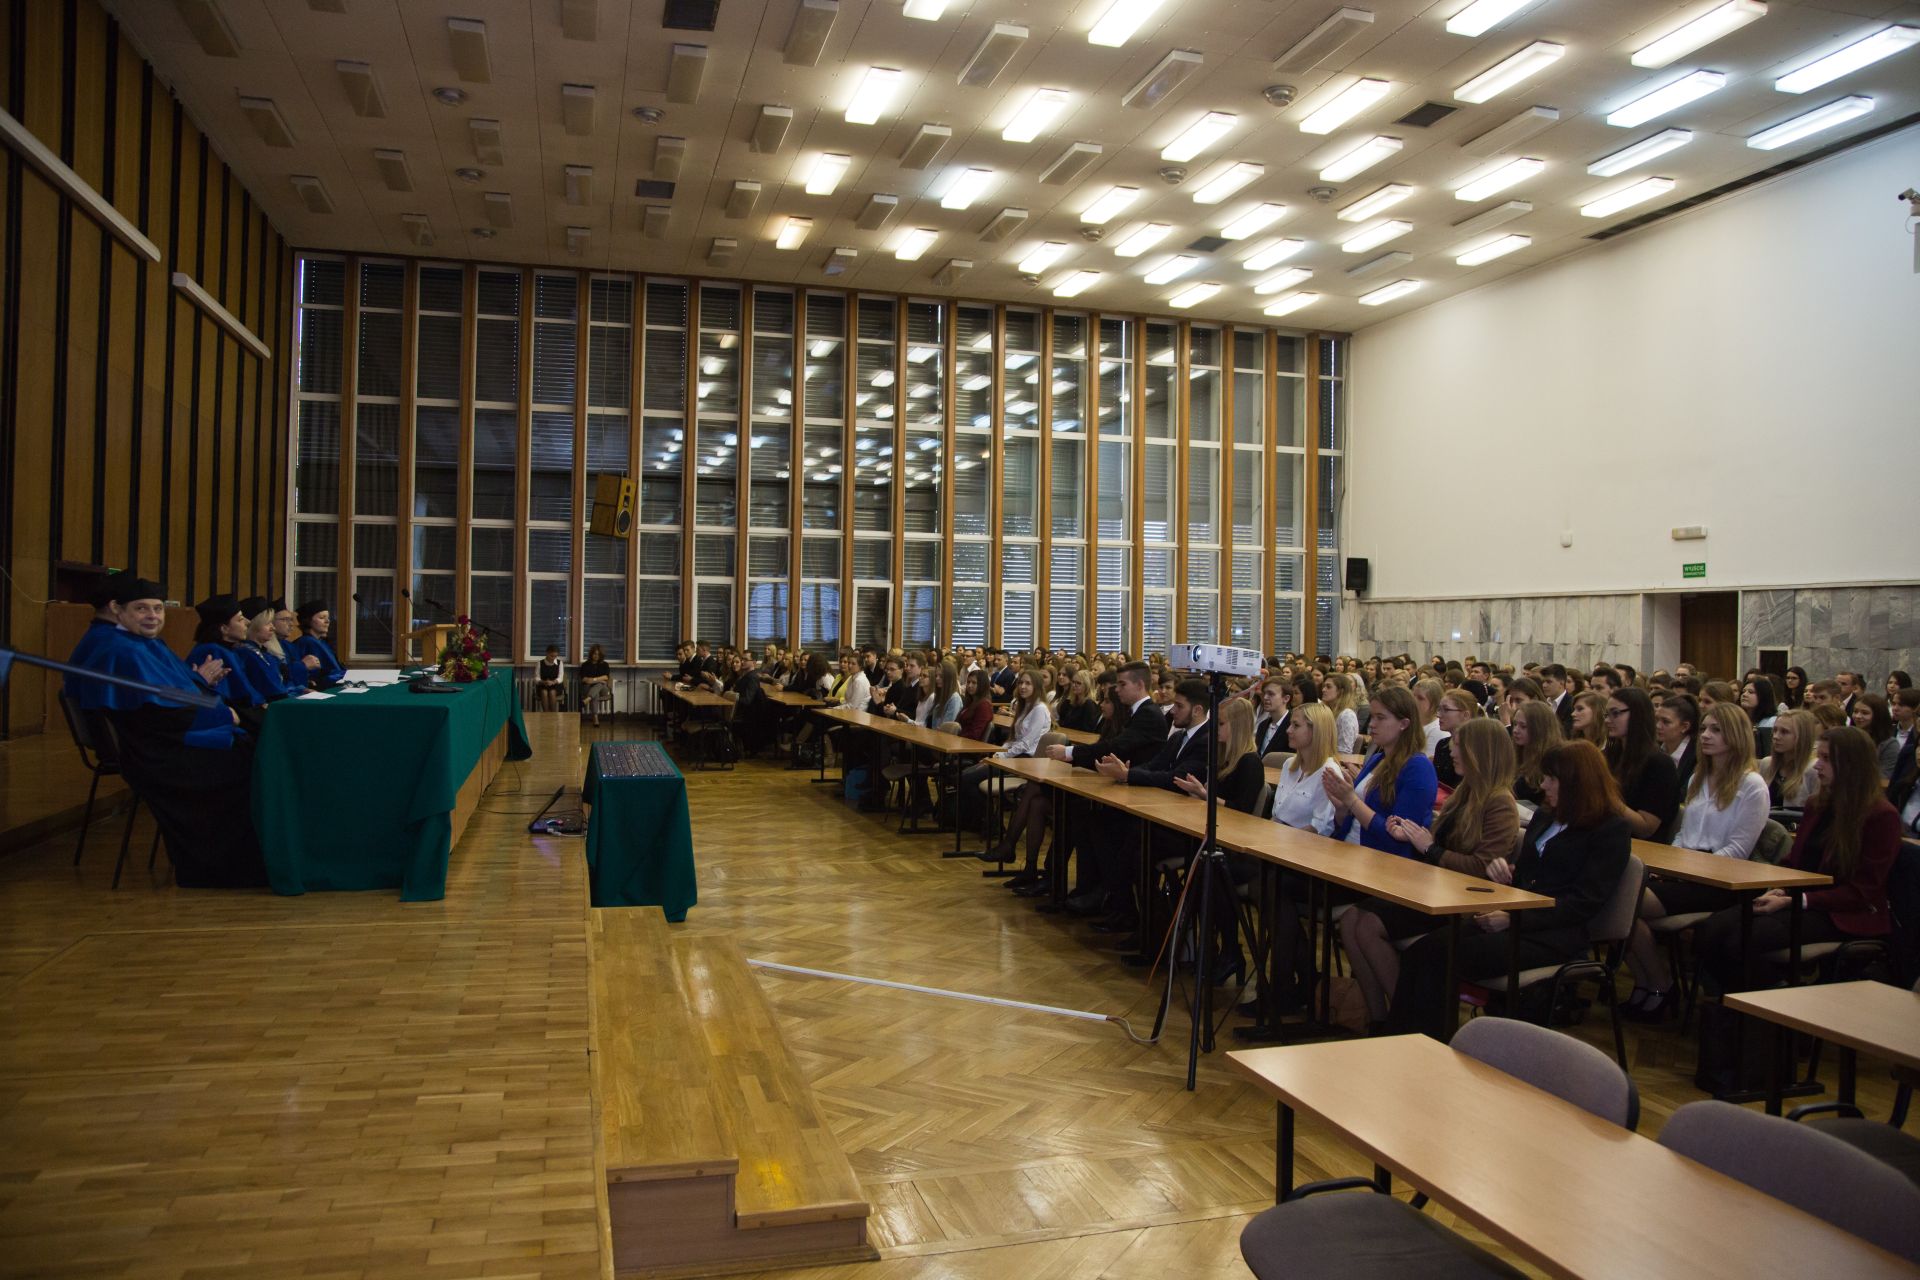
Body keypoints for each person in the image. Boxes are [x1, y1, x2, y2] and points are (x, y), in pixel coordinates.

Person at [1387, 740, 1630, 1039]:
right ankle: (1401, 1039)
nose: (1543, 785)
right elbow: (1531, 876)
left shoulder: (1610, 830)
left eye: (1551, 779)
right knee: (1420, 952)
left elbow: (1582, 903)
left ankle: (1426, 1044)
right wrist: (1505, 877)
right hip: (1514, 917)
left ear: (1577, 783)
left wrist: (1513, 918)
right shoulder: (1546, 816)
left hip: (1554, 935)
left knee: (1440, 958)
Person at [81, 577, 266, 888]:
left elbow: (163, 696)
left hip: (162, 740)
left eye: (158, 608)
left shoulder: (137, 642)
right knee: (251, 760)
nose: (152, 616)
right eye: (141, 609)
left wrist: (200, 685)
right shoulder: (121, 650)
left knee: (253, 740)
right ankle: (232, 866)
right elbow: (158, 715)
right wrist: (222, 714)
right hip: (159, 753)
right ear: (117, 609)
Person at [1341, 718, 1521, 1030]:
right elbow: (1436, 843)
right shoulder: (1466, 793)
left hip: (1462, 902)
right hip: (1437, 889)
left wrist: (1429, 847)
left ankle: (1406, 1022)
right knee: (1350, 920)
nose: (1451, 751)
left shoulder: (1500, 803)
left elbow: (1482, 867)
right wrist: (1410, 835)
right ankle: (1379, 1017)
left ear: (1480, 752)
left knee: (1368, 925)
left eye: (1459, 746)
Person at [1693, 727, 1900, 993]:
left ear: (1851, 764)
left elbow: (1863, 891)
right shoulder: (1817, 805)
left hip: (1841, 912)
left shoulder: (1881, 816)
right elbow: (1794, 861)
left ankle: (1772, 999)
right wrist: (1779, 888)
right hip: (1798, 899)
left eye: (1826, 759)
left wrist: (1797, 900)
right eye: (1819, 757)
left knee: (1738, 940)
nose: (1817, 766)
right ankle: (1760, 994)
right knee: (1709, 930)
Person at [1622, 702, 1769, 1020]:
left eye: (1716, 730)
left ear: (1736, 735)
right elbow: (1682, 835)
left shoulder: (1752, 786)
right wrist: (1670, 865)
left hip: (1720, 882)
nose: (1705, 736)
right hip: (1685, 872)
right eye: (1704, 729)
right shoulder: (1698, 779)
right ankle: (1650, 982)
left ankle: (1660, 985)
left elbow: (1737, 851)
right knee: (1620, 905)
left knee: (1623, 903)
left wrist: (1686, 869)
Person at [1037, 663, 1170, 915]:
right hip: (1127, 788)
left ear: (1140, 685)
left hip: (1141, 797)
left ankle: (1110, 898)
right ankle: (1089, 890)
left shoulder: (1149, 715)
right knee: (1078, 815)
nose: (1117, 690)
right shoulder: (1137, 713)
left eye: (1122, 684)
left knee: (1094, 823)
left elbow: (1117, 746)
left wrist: (1069, 752)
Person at [1323, 686, 1436, 858]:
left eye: (1380, 718)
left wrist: (1352, 800)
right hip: (1348, 850)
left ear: (1404, 724)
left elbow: (1397, 839)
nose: (1371, 724)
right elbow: (1347, 824)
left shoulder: (1419, 768)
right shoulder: (1377, 759)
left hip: (1379, 860)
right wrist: (1342, 808)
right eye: (1372, 717)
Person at [1603, 687, 1681, 840]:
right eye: (1606, 714)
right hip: (1607, 836)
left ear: (1637, 715)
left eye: (1615, 713)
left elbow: (1645, 827)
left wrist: (1604, 796)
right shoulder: (1610, 755)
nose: (1607, 720)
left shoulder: (1660, 764)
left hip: (1641, 845)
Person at [229, 596, 309, 705]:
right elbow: (271, 691)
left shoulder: (263, 652)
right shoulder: (245, 653)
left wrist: (299, 690)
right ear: (254, 625)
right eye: (267, 623)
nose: (273, 628)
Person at [1760, 707, 1821, 809]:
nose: (1776, 736)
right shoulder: (1766, 764)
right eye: (1775, 730)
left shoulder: (1814, 769)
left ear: (1802, 736)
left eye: (1784, 732)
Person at [1510, 700, 1562, 809]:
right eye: (1515, 724)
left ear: (1539, 729)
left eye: (1523, 726)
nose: (1515, 730)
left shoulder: (1552, 760)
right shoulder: (1517, 755)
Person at [287, 600, 345, 688]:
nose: (327, 621)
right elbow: (324, 674)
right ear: (308, 621)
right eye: (322, 618)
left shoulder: (322, 642)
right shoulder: (307, 642)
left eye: (328, 617)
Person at [1430, 689, 1481, 789]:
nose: (1438, 715)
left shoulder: (1475, 748)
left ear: (1465, 715)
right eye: (1439, 709)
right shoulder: (1442, 744)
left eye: (1446, 710)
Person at [1654, 693, 1700, 794]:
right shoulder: (1654, 749)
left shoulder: (1697, 756)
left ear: (1685, 727)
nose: (1658, 725)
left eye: (1666, 722)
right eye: (1656, 719)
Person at [1846, 692, 1896, 779]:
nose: (1858, 716)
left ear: (1878, 715)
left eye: (1865, 713)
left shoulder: (1889, 744)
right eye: (1855, 711)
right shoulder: (1847, 737)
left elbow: (1885, 776)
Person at [1321, 672, 1361, 755]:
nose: (1323, 690)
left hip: (1335, 760)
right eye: (1324, 686)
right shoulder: (1326, 711)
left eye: (1328, 687)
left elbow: (1344, 751)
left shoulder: (1347, 715)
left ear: (1340, 691)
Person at [1740, 677, 1779, 758]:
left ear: (1763, 696)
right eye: (1743, 691)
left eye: (1751, 692)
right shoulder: (1739, 719)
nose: (1744, 695)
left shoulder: (1772, 722)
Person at [955, 668, 996, 740]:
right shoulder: (970, 701)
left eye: (974, 683)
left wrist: (955, 737)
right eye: (968, 682)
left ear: (982, 685)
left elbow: (974, 734)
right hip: (959, 740)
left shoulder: (984, 705)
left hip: (967, 744)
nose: (969, 685)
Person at [536, 645, 565, 711]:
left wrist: (553, 682)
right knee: (544, 692)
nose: (553, 658)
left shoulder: (560, 663)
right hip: (543, 685)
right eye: (551, 656)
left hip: (556, 685)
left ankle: (553, 713)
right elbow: (536, 678)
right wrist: (543, 682)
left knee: (552, 692)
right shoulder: (540, 663)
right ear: (547, 653)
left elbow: (560, 677)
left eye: (555, 656)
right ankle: (546, 714)